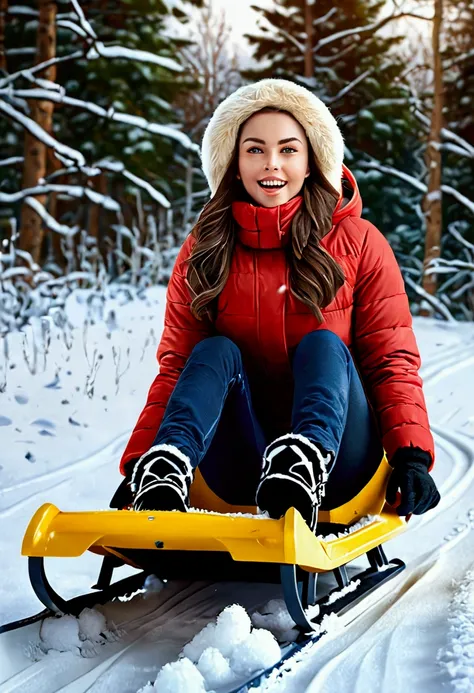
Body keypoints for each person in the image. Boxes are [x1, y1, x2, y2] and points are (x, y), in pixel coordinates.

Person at [119, 78, 440, 532]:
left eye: (289, 150)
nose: (272, 164)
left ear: (312, 163)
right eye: (254, 149)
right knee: (212, 352)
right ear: (233, 162)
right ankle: (167, 469)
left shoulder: (360, 243)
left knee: (324, 345)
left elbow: (392, 360)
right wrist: (137, 462)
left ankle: (302, 462)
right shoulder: (204, 249)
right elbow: (176, 369)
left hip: (338, 464)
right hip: (239, 465)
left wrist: (410, 456)